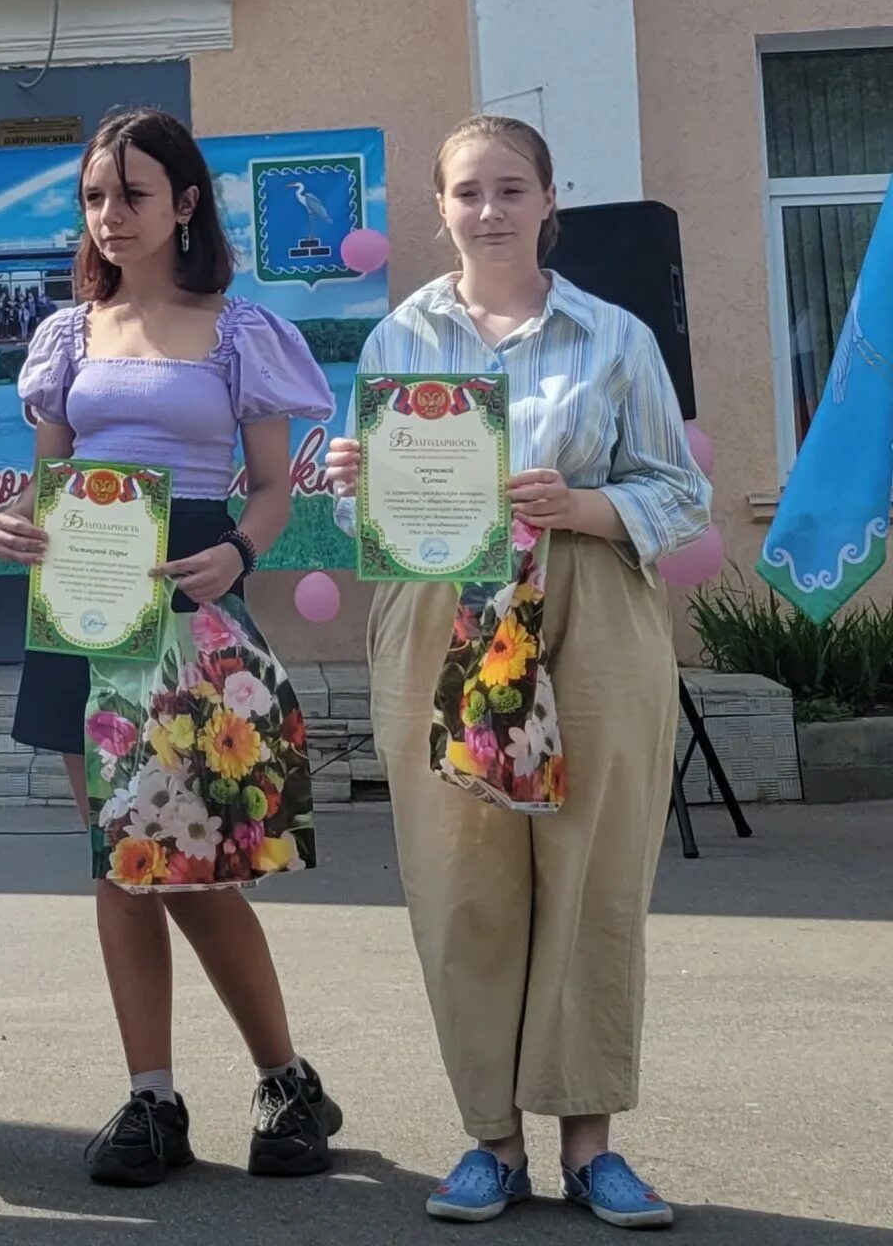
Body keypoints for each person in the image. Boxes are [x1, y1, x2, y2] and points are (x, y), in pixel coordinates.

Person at [322, 116, 707, 1230]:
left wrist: (586, 507)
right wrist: (352, 474)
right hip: (444, 606)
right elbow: (376, 513)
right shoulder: (399, 337)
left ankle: (590, 1142)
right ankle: (489, 1140)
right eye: (465, 192)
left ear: (549, 201)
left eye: (508, 188)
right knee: (459, 878)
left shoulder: (614, 336)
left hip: (589, 602)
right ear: (437, 209)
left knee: (589, 871)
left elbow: (677, 490)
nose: (487, 209)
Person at [0, 109, 343, 1186]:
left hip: (192, 596)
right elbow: (52, 483)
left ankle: (285, 1080)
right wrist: (20, 530)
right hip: (84, 604)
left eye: (132, 194)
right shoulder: (65, 336)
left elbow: (275, 487)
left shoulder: (239, 330)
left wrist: (238, 550)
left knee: (184, 866)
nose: (110, 216)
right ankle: (151, 1098)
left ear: (185, 202)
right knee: (118, 864)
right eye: (95, 197)